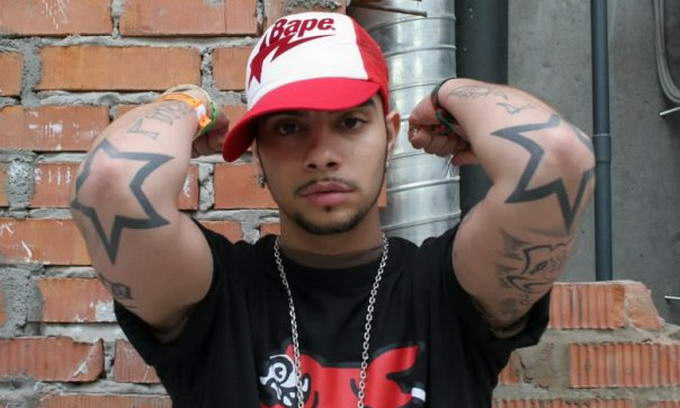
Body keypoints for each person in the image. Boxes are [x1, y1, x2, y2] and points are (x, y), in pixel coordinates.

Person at [69, 11, 595, 408]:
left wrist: (451, 94)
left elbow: (558, 158)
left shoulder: (445, 287)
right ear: (258, 152)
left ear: (389, 133)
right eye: (289, 128)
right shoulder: (217, 296)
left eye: (349, 122)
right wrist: (188, 103)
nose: (321, 154)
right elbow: (112, 184)